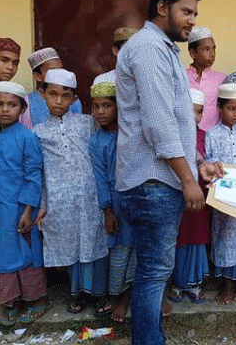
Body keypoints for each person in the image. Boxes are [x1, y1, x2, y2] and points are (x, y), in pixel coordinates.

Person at [115, 0, 218, 345]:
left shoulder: (162, 50)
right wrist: (188, 180)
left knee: (154, 271)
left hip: (159, 181)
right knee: (154, 272)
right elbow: (159, 125)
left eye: (194, 12)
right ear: (163, 8)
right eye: (186, 11)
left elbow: (176, 121)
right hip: (153, 183)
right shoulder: (147, 49)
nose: (192, 20)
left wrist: (200, 163)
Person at [0, 81, 49, 326]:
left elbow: (33, 175)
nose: (5, 109)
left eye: (12, 104)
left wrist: (28, 211)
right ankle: (10, 302)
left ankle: (37, 300)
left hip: (19, 208)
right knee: (2, 255)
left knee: (25, 255)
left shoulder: (28, 138)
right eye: (0, 104)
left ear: (22, 108)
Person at [33, 69, 108, 314]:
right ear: (42, 94)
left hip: (89, 196)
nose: (58, 101)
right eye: (52, 94)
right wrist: (43, 204)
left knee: (94, 243)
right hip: (59, 199)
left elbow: (102, 156)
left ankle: (97, 293)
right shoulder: (38, 132)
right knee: (71, 246)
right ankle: (77, 292)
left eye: (65, 96)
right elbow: (41, 171)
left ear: (74, 99)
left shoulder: (89, 123)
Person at [88, 82, 136, 323]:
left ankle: (142, 295)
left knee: (141, 250)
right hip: (116, 205)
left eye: (107, 105)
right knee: (119, 251)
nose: (100, 112)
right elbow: (100, 178)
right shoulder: (96, 142)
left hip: (138, 200)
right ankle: (119, 296)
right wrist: (107, 210)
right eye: (95, 107)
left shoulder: (131, 134)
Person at [204, 83, 236, 305]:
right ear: (219, 107)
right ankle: (227, 286)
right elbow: (206, 159)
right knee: (224, 239)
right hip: (223, 197)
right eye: (231, 109)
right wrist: (213, 164)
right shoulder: (212, 134)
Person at [168, 88, 210, 304]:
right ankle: (177, 283)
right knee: (179, 238)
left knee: (196, 238)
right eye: (190, 110)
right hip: (178, 194)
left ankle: (194, 283)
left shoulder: (205, 136)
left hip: (200, 196)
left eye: (199, 112)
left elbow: (210, 162)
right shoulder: (172, 136)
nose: (195, 116)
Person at [27, 47, 82, 126]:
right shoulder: (27, 102)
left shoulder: (74, 102)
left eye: (60, 70)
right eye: (52, 71)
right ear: (37, 76)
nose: (58, 74)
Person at [187, 27, 226, 131]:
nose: (212, 54)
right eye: (207, 49)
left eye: (214, 49)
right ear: (193, 53)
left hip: (214, 139)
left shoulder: (222, 79)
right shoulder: (182, 77)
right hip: (188, 137)